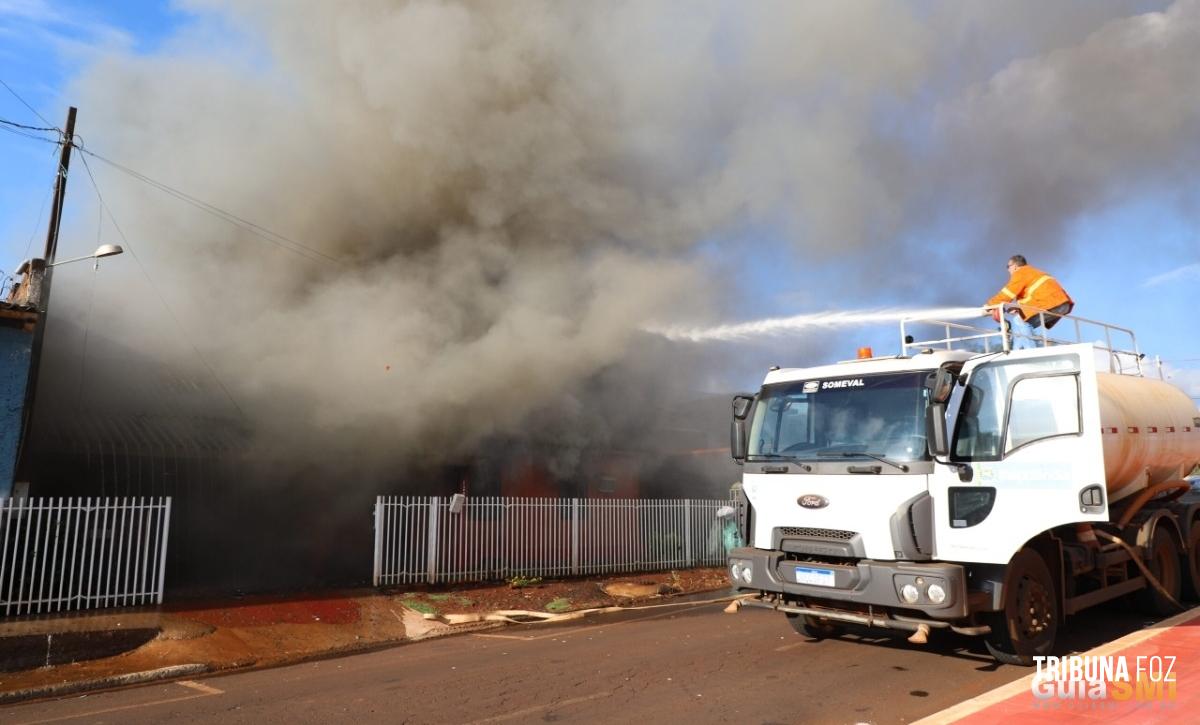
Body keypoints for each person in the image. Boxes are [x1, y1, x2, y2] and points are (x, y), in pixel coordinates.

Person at [985, 255, 1074, 350]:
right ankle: (1017, 351)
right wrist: (1019, 308)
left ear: (1014, 266)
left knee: (1019, 321)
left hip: (1051, 303)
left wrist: (989, 305)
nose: (1008, 270)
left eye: (1008, 267)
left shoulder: (1021, 273)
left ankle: (1030, 350)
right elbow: (1036, 295)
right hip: (1062, 303)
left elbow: (1008, 293)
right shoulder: (1034, 272)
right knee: (1019, 321)